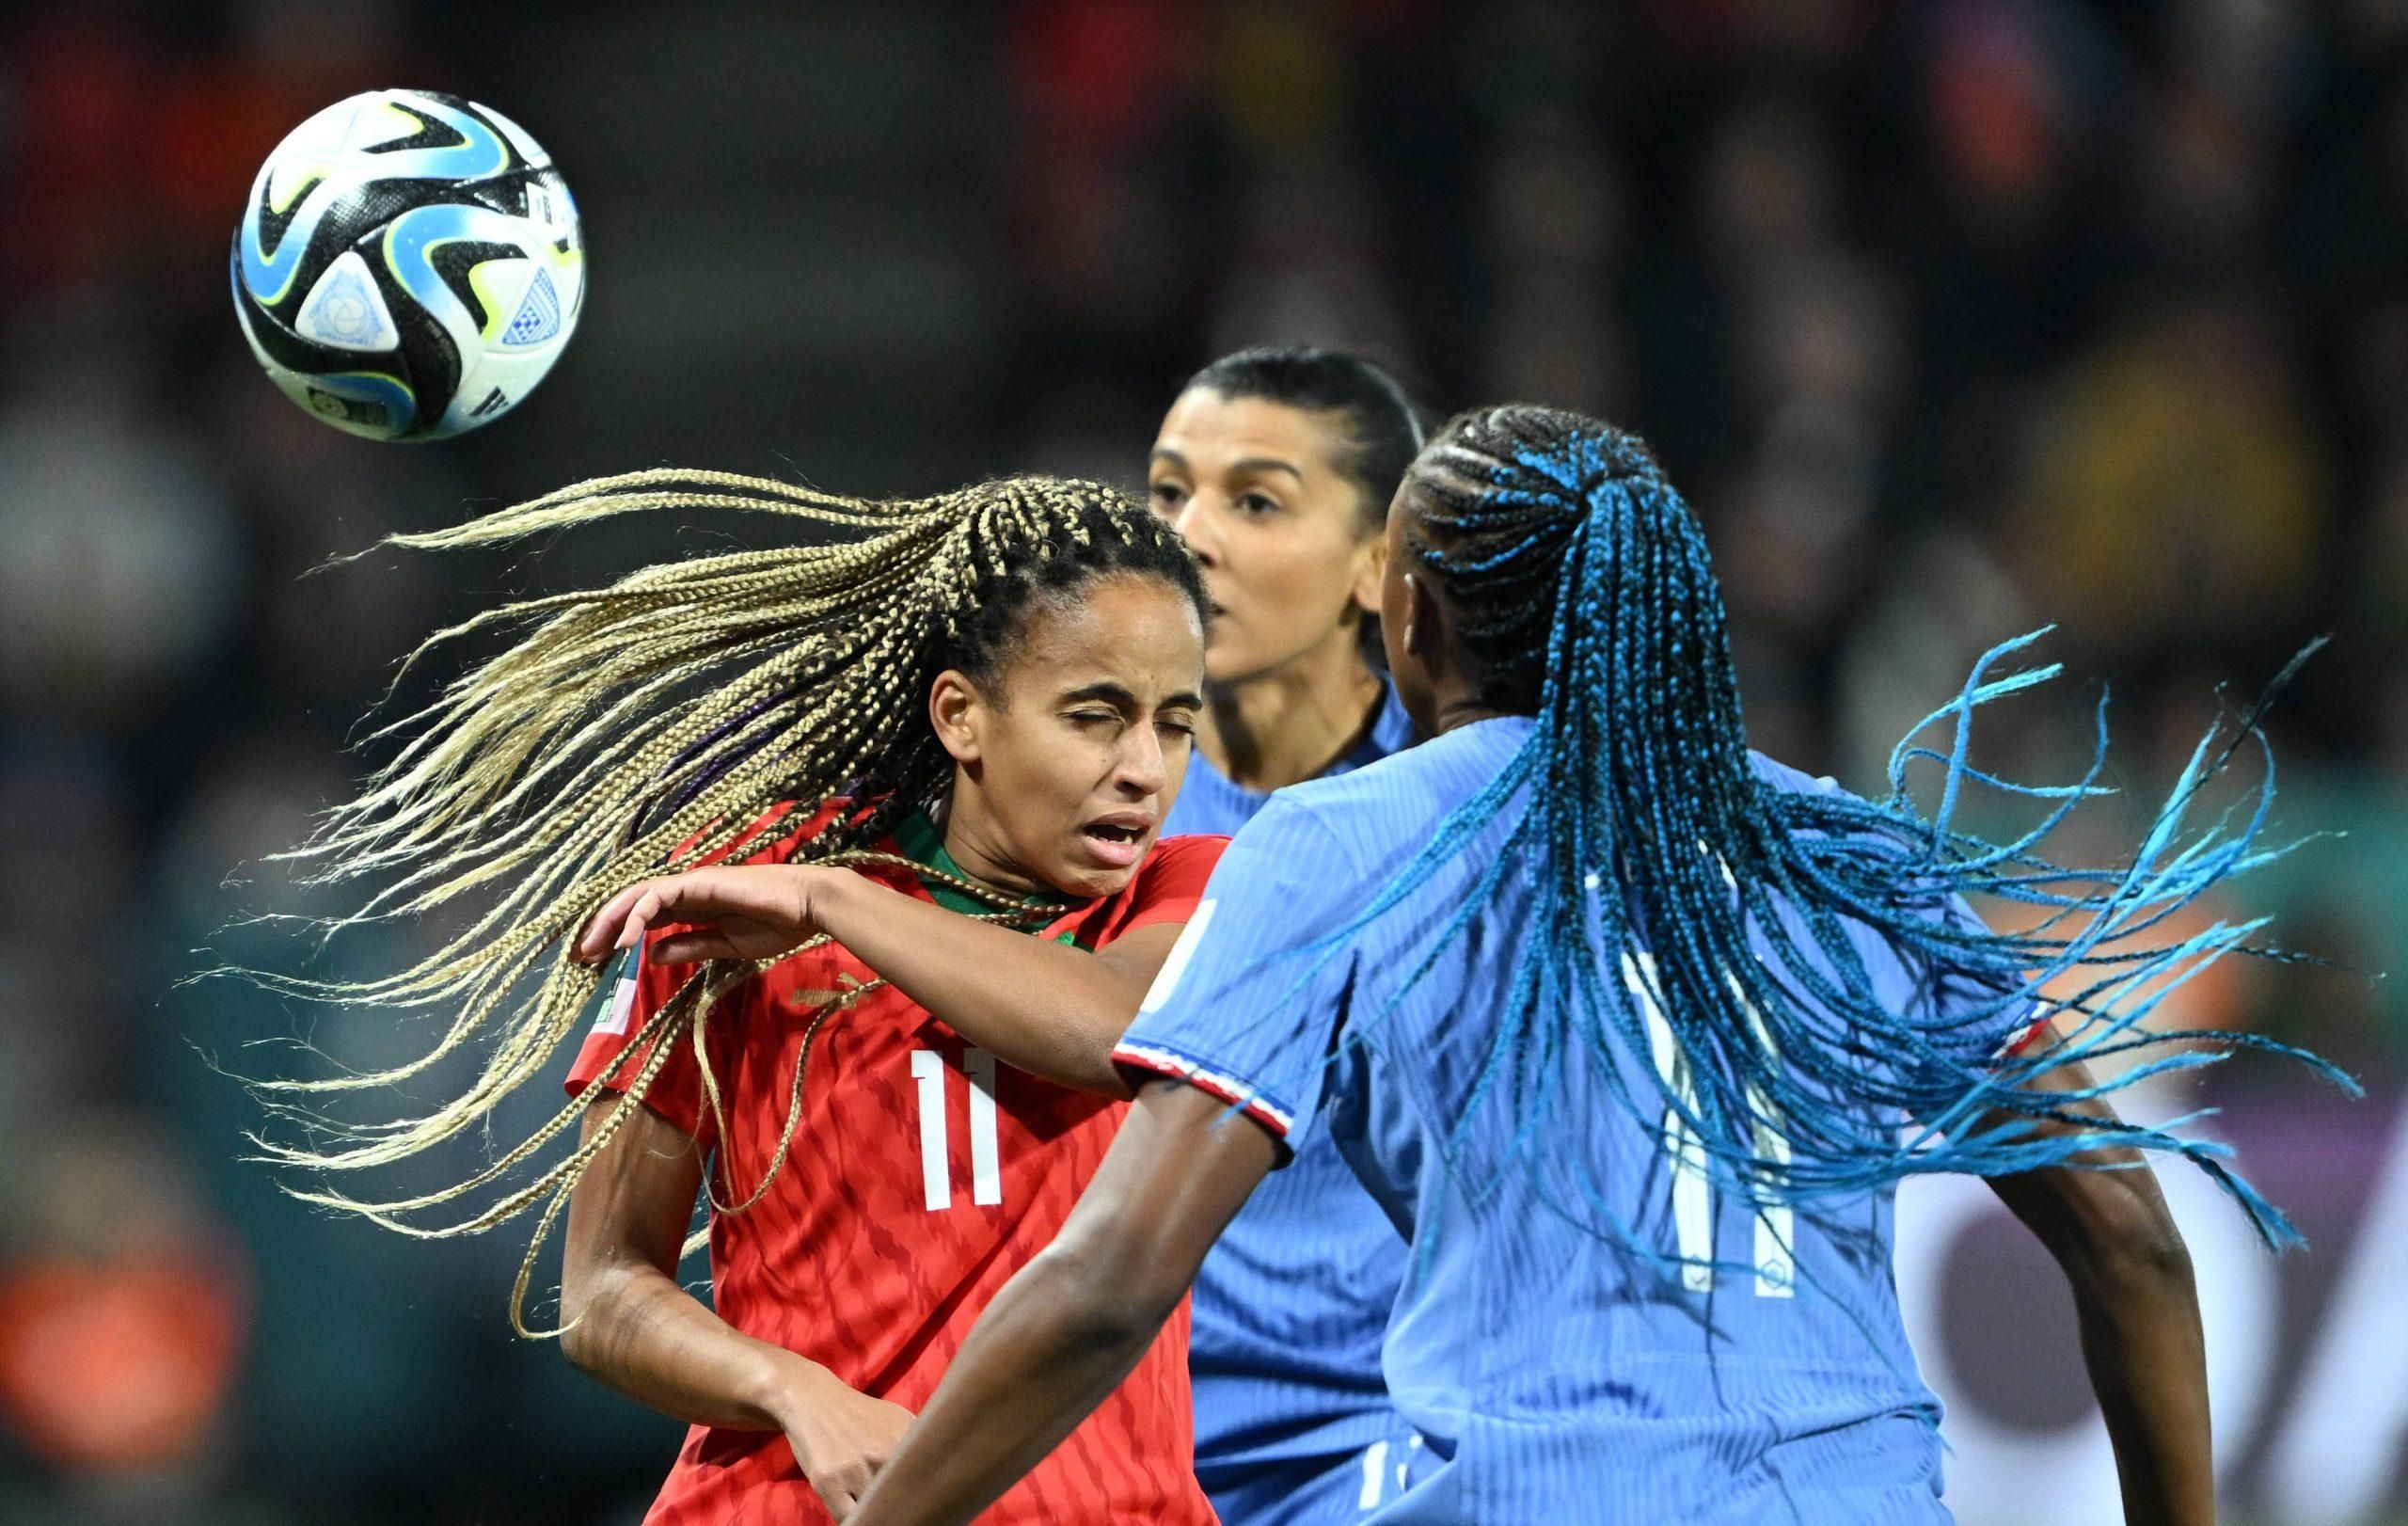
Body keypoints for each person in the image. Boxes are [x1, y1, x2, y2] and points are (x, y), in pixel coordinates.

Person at [834, 406, 2344, 1526]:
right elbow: (2131, 1236)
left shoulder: (1345, 842)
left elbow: (1110, 1281)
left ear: (1411, 614)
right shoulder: (1850, 855)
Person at [253, 470, 1227, 1525]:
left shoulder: (1188, 890)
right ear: (961, 715)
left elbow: (1113, 1029)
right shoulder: (738, 900)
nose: (1144, 767)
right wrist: (795, 1394)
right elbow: (602, 1292)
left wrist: (830, 900)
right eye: (1096, 715)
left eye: (1174, 723)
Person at [1145, 345, 1431, 1521]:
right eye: (1167, 492)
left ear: (1378, 564)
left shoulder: (1455, 800)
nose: (1188, 534)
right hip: (1114, 1417)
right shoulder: (1087, 799)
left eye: (1253, 501)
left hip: (1370, 1435)